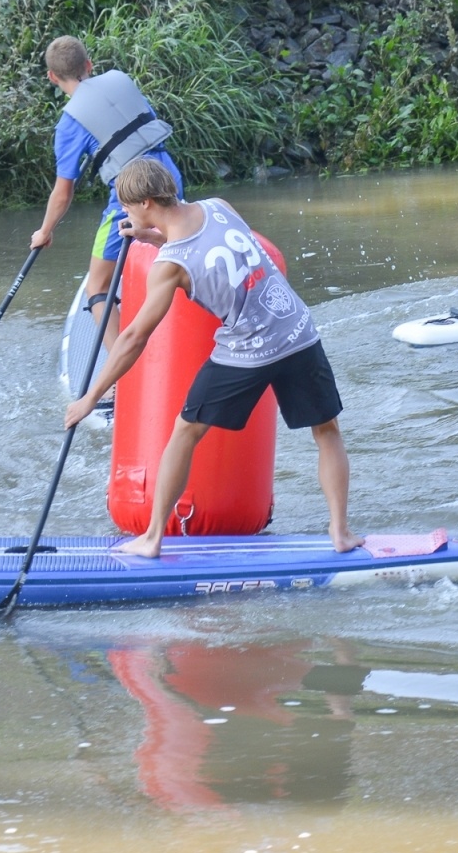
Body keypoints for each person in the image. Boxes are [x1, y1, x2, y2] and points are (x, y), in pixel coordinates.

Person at [63, 160, 361, 559]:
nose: (126, 214)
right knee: (326, 431)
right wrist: (154, 236)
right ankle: (340, 532)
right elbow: (211, 244)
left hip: (247, 352)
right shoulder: (220, 206)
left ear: (147, 202)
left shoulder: (168, 267)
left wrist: (89, 397)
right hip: (297, 331)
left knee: (184, 433)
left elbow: (134, 337)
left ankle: (152, 539)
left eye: (128, 207)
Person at [30, 36, 185, 330]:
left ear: (52, 77)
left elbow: (63, 193)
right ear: (89, 64)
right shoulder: (120, 80)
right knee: (176, 254)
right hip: (171, 179)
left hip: (131, 197)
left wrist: (45, 231)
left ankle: (119, 371)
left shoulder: (68, 123)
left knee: (98, 288)